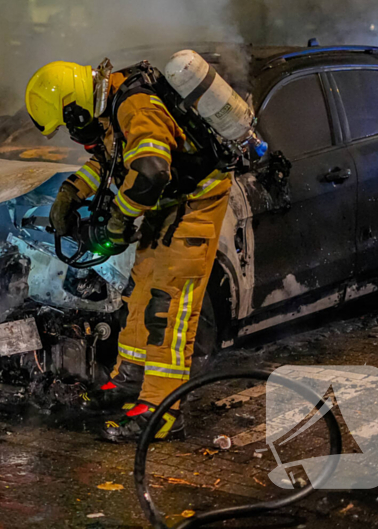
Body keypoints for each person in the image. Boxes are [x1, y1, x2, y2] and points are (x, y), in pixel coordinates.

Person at [25, 60, 232, 443]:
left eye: (70, 124)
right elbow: (111, 162)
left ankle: (162, 412)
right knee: (141, 294)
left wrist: (118, 221)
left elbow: (151, 171)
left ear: (75, 107)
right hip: (168, 203)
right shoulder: (114, 104)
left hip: (193, 204)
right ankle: (130, 381)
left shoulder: (135, 106)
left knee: (168, 306)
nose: (74, 133)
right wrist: (73, 191)